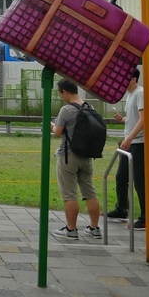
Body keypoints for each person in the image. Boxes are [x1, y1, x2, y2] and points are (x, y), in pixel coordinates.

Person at [51, 78, 101, 240]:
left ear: (65, 92)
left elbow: (58, 132)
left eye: (61, 94)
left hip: (69, 156)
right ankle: (94, 228)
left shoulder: (66, 110)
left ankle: (71, 230)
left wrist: (52, 125)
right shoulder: (89, 107)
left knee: (70, 194)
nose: (61, 97)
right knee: (90, 192)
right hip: (87, 156)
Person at [108, 68, 145, 230]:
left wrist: (129, 138)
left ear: (133, 79)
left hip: (138, 143)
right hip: (129, 143)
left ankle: (145, 218)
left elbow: (144, 120)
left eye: (125, 77)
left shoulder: (140, 93)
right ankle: (122, 209)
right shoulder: (130, 95)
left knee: (139, 181)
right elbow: (134, 119)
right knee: (121, 177)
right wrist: (123, 119)